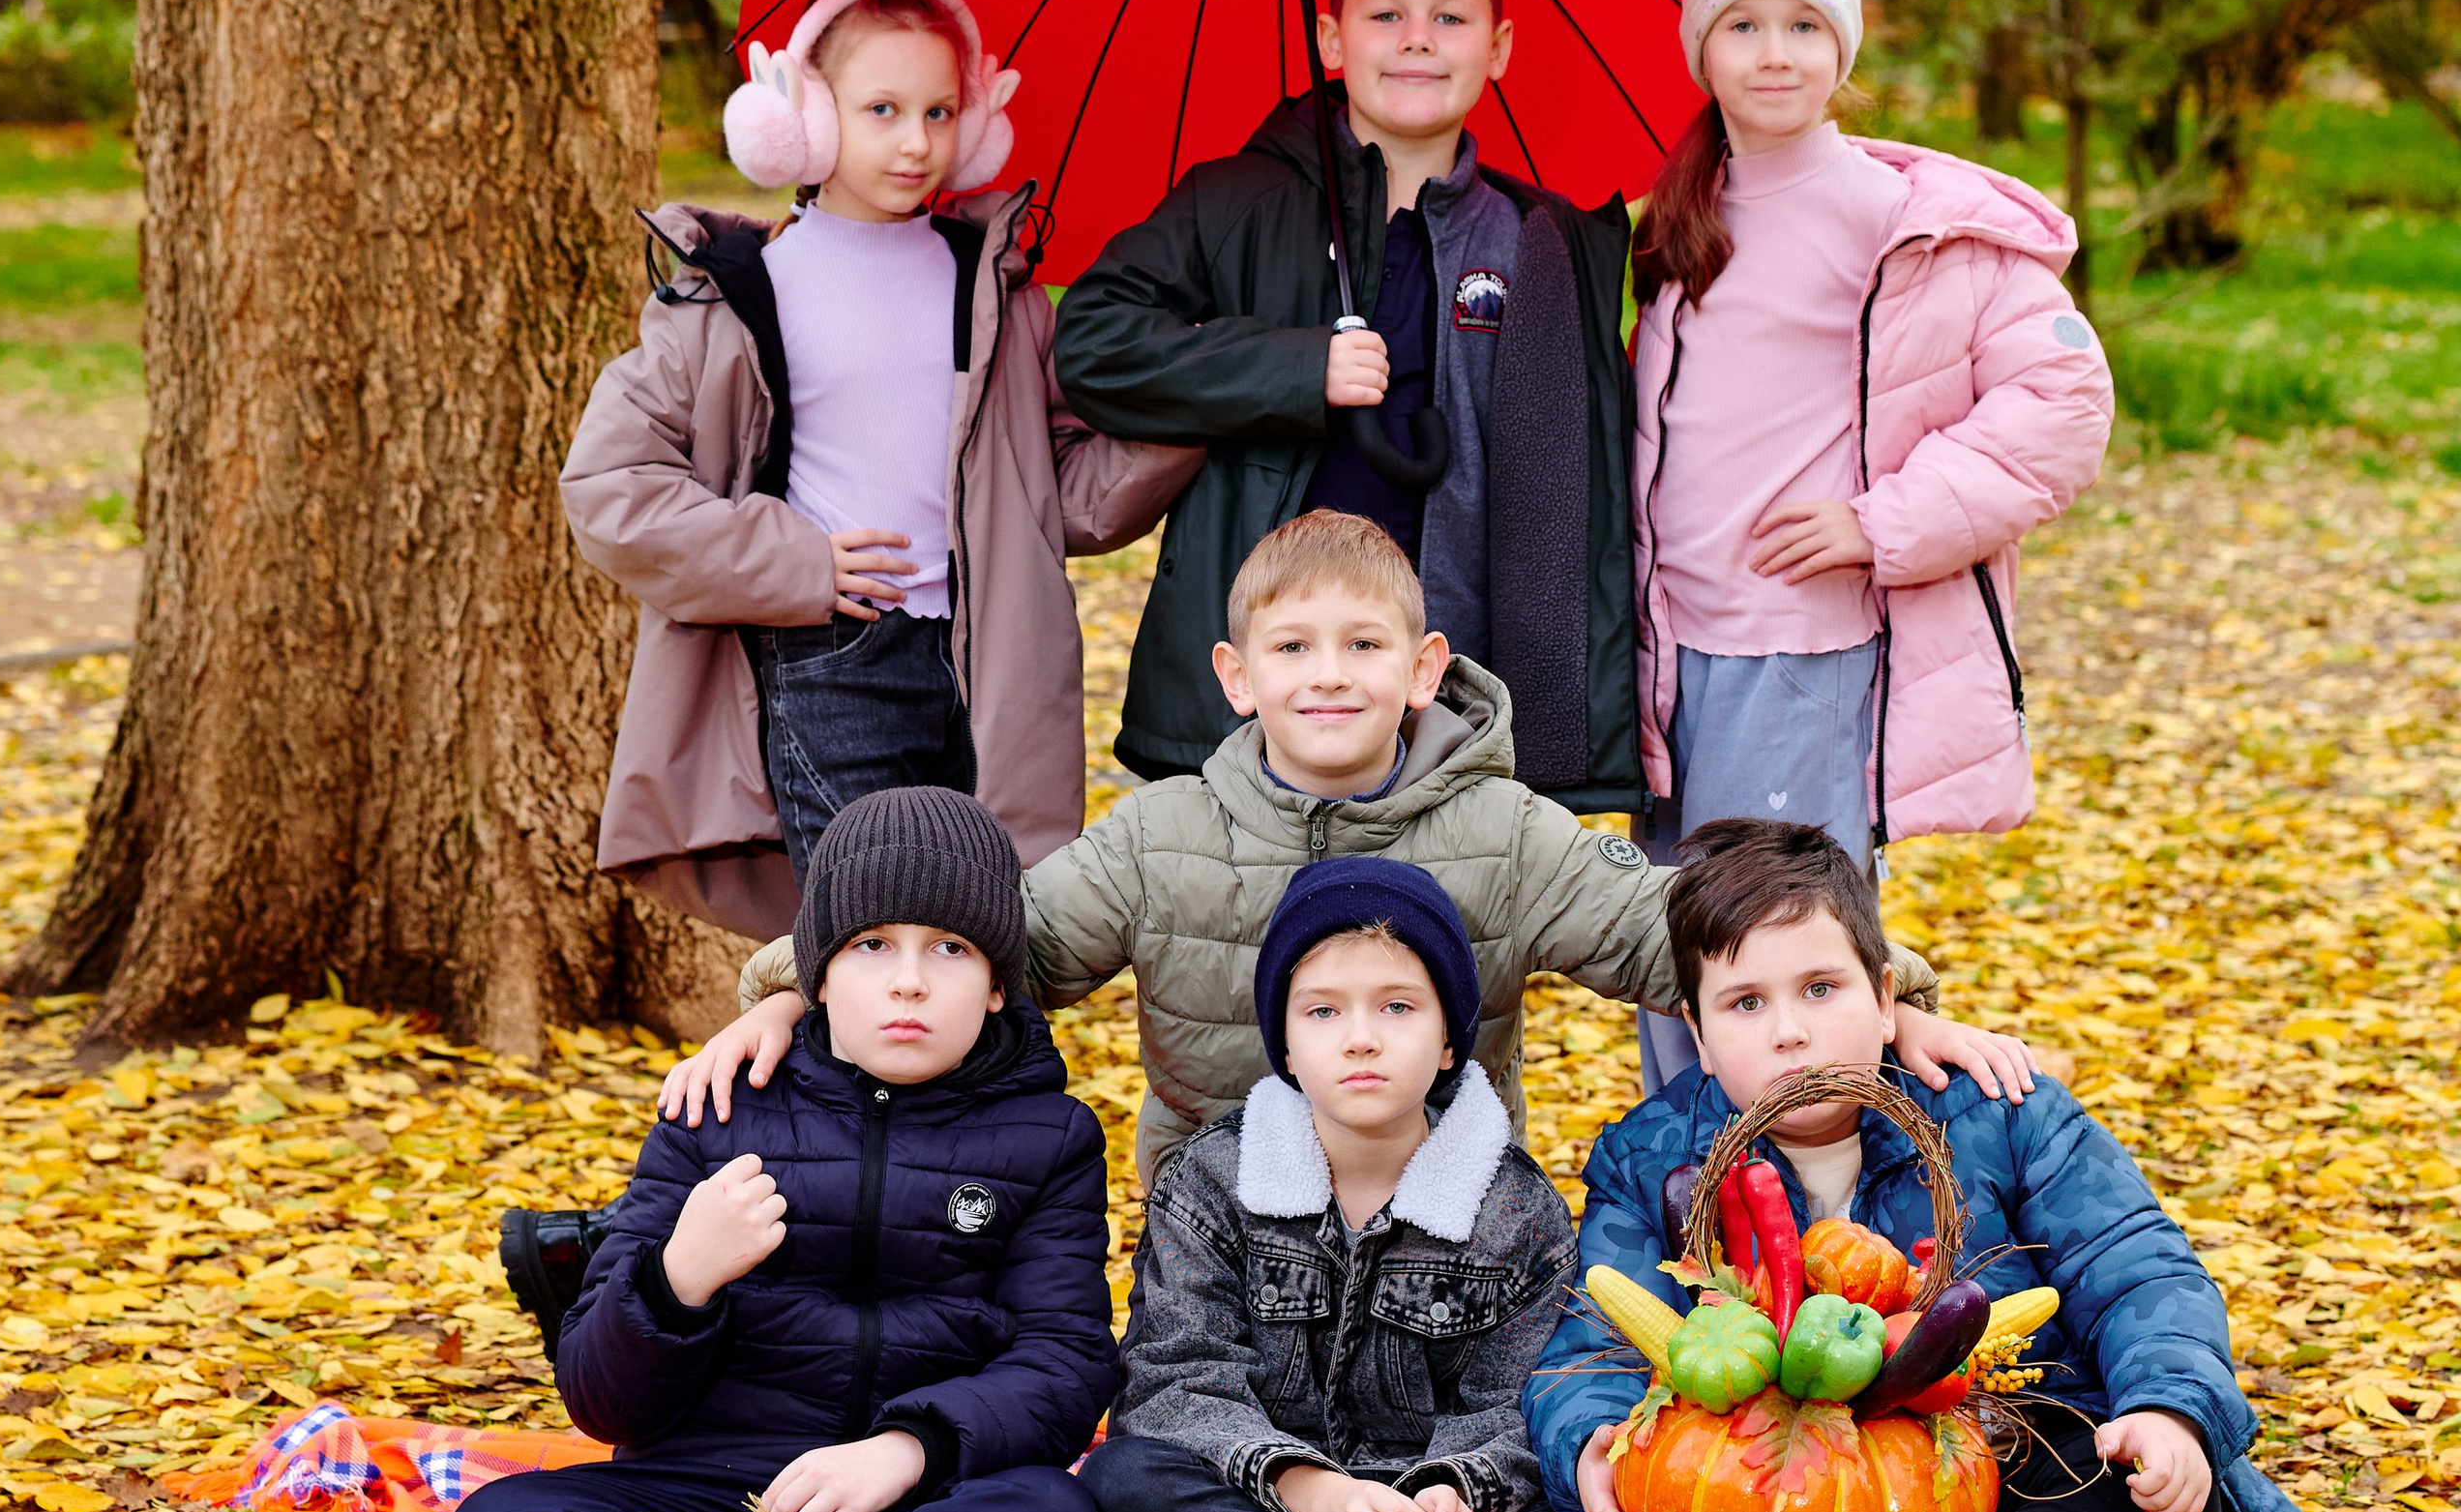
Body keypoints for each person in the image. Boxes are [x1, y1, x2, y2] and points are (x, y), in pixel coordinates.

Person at [660, 511, 2032, 1196]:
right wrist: (795, 987)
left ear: (1422, 668)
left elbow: (1685, 929)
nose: (1329, 674)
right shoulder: (1162, 837)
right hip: (1221, 1235)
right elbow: (991, 939)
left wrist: (1889, 1001)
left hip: (1448, 1228)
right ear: (1237, 677)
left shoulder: (1506, 833)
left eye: (1364, 645)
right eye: (1294, 648)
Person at [1524, 818, 2342, 1512]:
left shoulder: (2000, 1109)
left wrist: (2169, 1411)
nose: (1788, 1030)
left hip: (2014, 1469)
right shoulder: (1650, 1157)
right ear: (1697, 1037)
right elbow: (1592, 1340)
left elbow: (2140, 1269)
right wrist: (1590, 1442)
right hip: (1797, 1502)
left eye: (1820, 990)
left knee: (2158, 1505)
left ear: (1885, 1001)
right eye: (1744, 1003)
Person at [444, 788, 1116, 1512]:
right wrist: (677, 1279)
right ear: (818, 975)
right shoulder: (717, 1108)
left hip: (912, 1504)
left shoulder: (1050, 1138)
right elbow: (598, 1400)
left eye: (950, 950)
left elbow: (1064, 1363)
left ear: (994, 988)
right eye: (872, 946)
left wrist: (906, 1450)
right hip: (715, 1488)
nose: (909, 981)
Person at [559, 0, 1198, 938]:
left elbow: (1063, 492)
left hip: (991, 664)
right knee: (867, 937)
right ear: (808, 121)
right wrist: (798, 563)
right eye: (882, 110)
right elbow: (612, 487)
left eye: (941, 113)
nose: (916, 142)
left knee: (982, 938)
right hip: (833, 660)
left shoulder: (997, 292)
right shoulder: (733, 298)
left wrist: (1202, 404)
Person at [1628, 0, 2112, 1084]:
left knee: (1781, 955)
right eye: (1743, 24)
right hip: (1670, 652)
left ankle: (1791, 1188)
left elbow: (2061, 399)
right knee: (1677, 952)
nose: (1773, 52)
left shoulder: (1900, 219)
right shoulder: (1678, 218)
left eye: (1805, 24)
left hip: (1797, 649)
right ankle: (1692, 1181)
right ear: (1699, 47)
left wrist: (1876, 521)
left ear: (1843, 47)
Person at [1048, 0, 1643, 810]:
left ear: (1498, 47)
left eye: (1450, 18)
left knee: (1437, 906)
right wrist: (1294, 369)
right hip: (1267, 690)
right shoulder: (1236, 201)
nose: (1418, 40)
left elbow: (1575, 496)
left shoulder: (1541, 241)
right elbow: (1095, 340)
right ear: (1331, 40)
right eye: (1386, 15)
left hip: (1446, 698)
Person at [1083, 862, 1633, 1512]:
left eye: (1398, 1008)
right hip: (1272, 1503)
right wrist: (1323, 1495)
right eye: (1323, 1012)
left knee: (1595, 1509)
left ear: (1448, 1041)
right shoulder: (1212, 1179)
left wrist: (1456, 1499)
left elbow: (1521, 1403)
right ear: (1286, 1044)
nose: (1361, 1038)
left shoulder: (1513, 1207)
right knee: (1121, 1488)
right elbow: (1175, 1380)